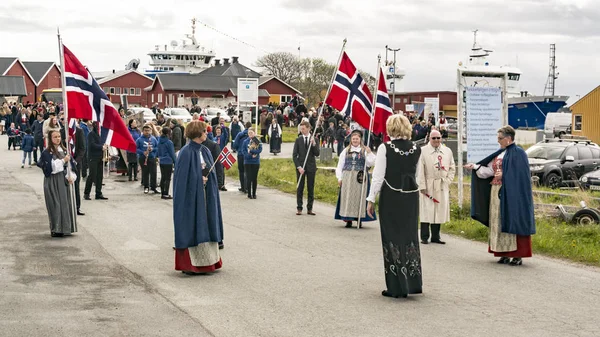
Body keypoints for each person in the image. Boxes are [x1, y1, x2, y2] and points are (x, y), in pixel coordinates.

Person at [367, 114, 423, 298]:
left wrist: (371, 198)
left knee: (391, 237)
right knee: (409, 237)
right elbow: (418, 176)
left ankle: (397, 286)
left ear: (391, 128)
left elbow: (378, 175)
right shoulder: (417, 148)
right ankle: (412, 282)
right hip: (410, 197)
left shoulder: (386, 148)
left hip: (391, 196)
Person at [464, 125, 535, 266]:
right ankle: (503, 253)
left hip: (512, 194)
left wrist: (504, 175)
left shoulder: (518, 153)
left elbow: (520, 176)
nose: (498, 141)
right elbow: (490, 171)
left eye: (500, 138)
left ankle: (517, 255)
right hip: (496, 191)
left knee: (512, 219)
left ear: (509, 139)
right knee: (498, 221)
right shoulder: (500, 153)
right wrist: (475, 167)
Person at [173, 120, 223, 274]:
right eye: (204, 131)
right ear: (197, 133)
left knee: (208, 223)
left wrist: (209, 179)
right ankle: (191, 264)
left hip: (206, 196)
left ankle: (209, 262)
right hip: (192, 199)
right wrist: (198, 180)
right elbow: (181, 180)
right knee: (193, 225)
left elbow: (210, 170)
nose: (207, 133)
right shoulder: (186, 152)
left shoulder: (205, 150)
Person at [417, 129, 455, 244]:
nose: (436, 140)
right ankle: (424, 236)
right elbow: (420, 169)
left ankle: (436, 236)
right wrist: (422, 185)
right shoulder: (423, 151)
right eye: (434, 138)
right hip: (428, 184)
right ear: (429, 138)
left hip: (442, 184)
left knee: (438, 210)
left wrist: (448, 181)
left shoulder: (447, 151)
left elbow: (452, 167)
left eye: (438, 138)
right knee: (426, 210)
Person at [37, 130, 77, 237]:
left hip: (63, 180)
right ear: (50, 139)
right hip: (52, 181)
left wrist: (71, 176)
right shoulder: (46, 152)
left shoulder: (64, 150)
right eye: (55, 137)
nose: (58, 139)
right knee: (55, 204)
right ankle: (56, 229)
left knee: (65, 204)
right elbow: (51, 168)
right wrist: (64, 160)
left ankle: (66, 228)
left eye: (59, 136)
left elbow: (71, 167)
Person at [334, 129, 376, 228]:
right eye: (353, 139)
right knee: (348, 197)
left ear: (360, 139)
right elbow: (340, 165)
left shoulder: (364, 150)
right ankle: (348, 219)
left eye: (357, 139)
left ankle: (359, 218)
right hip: (348, 177)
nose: (355, 141)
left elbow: (371, 163)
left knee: (359, 198)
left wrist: (369, 153)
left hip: (360, 177)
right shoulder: (346, 150)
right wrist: (339, 178)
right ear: (351, 140)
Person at [293, 121, 320, 215]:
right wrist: (299, 167)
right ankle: (299, 208)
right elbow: (294, 155)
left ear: (309, 128)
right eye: (301, 128)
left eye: (303, 128)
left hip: (311, 167)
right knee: (300, 188)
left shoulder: (315, 139)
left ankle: (310, 208)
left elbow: (317, 153)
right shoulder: (298, 140)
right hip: (301, 167)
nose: (302, 130)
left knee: (310, 188)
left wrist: (313, 145)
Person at [83, 121, 109, 200]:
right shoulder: (91, 134)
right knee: (92, 175)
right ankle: (86, 193)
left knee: (99, 176)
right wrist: (101, 147)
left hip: (100, 157)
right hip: (92, 157)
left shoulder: (102, 135)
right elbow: (92, 145)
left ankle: (98, 193)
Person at [136, 125, 159, 194]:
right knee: (145, 173)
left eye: (148, 130)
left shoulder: (153, 139)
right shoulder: (139, 139)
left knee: (153, 172)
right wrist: (143, 152)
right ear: (143, 131)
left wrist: (153, 149)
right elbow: (135, 149)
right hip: (143, 158)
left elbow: (157, 147)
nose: (147, 132)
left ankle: (153, 187)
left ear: (151, 131)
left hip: (152, 157)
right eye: (145, 131)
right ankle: (146, 187)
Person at [242, 128, 262, 199]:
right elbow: (243, 151)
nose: (250, 134)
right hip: (247, 161)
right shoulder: (245, 141)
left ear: (254, 133)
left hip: (255, 162)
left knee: (254, 178)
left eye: (251, 132)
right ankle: (249, 193)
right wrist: (249, 155)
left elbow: (260, 149)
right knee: (248, 177)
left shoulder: (257, 140)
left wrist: (253, 152)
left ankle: (254, 193)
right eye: (249, 133)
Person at [157, 127, 176, 199]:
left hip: (161, 160)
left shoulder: (159, 141)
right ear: (168, 133)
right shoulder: (169, 142)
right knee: (168, 178)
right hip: (168, 161)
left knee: (163, 177)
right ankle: (166, 193)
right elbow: (172, 153)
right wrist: (175, 162)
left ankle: (162, 192)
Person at [72, 123, 86, 216]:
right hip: (65, 162)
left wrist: (76, 161)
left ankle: (77, 207)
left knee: (76, 185)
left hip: (76, 163)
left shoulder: (79, 131)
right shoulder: (62, 131)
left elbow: (82, 148)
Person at [233, 122, 251, 193]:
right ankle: (247, 186)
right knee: (248, 171)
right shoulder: (251, 135)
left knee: (241, 171)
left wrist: (238, 148)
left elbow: (235, 145)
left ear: (244, 126)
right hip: (249, 155)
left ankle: (243, 187)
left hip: (240, 154)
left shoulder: (240, 134)